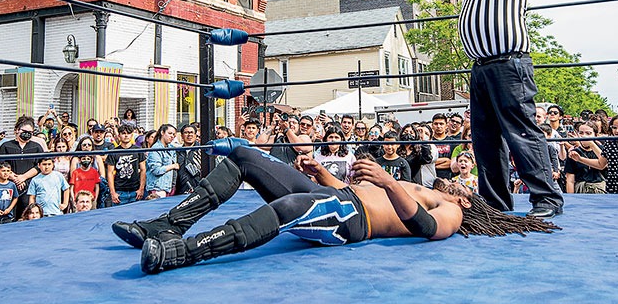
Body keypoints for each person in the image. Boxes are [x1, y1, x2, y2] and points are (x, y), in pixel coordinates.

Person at [111, 140, 558, 274]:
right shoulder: (427, 187)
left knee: (289, 205)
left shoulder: (453, 210)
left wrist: (386, 179)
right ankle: (166, 225)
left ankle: (182, 252)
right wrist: (320, 173)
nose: (456, 175)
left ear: (468, 199)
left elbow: (423, 227)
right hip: (337, 198)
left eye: (462, 180)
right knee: (245, 157)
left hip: (350, 222)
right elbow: (349, 190)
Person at [444, 0, 563, 218]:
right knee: (485, 139)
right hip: (481, 68)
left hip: (509, 63)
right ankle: (496, 204)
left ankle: (547, 198)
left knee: (522, 131)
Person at [0, 116, 46, 218]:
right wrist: (15, 178)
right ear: (16, 130)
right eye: (25, 131)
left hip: (29, 186)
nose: (27, 134)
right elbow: (1, 164)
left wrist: (23, 177)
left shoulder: (36, 147)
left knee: (26, 214)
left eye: (31, 132)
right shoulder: (6, 146)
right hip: (9, 185)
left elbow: (39, 166)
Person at [106, 123, 146, 205]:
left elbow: (143, 169)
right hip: (119, 191)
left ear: (132, 135)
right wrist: (113, 192)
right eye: (123, 133)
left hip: (135, 190)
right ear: (119, 135)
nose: (126, 135)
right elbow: (110, 173)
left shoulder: (138, 150)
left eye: (128, 133)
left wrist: (141, 189)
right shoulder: (113, 152)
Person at [146, 125, 179, 199]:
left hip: (169, 188)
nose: (172, 136)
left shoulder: (171, 148)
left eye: (174, 134)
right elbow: (156, 170)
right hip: (158, 188)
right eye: (170, 133)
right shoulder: (155, 148)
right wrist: (173, 166)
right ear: (162, 133)